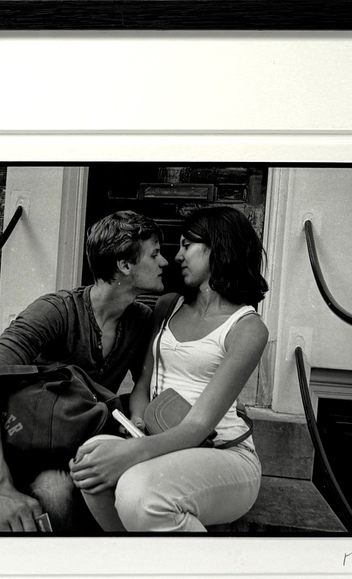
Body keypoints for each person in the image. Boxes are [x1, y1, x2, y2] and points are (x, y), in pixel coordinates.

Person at [0, 210, 167, 533]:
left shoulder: (141, 321)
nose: (165, 262)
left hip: (61, 451)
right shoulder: (56, 311)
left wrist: (136, 425)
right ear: (124, 264)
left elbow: (142, 388)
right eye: (155, 254)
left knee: (58, 495)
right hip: (6, 440)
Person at [69, 206, 270, 532]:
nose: (177, 256)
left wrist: (132, 451)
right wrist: (137, 423)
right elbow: (143, 385)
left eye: (187, 245)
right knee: (90, 457)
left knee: (139, 494)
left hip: (223, 453)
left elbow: (199, 425)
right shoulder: (168, 306)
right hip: (159, 435)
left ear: (218, 247)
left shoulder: (247, 327)